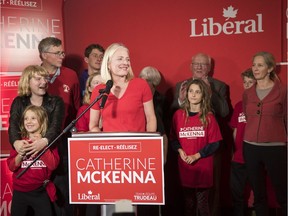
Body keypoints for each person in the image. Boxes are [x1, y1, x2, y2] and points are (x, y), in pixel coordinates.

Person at [89, 43, 157, 216]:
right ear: (109, 63)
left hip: (139, 159)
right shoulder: (99, 90)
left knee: (140, 205)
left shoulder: (141, 85)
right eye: (120, 58)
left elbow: (151, 118)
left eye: (127, 59)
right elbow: (93, 125)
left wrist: (149, 148)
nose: (125, 62)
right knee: (119, 207)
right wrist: (104, 147)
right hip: (112, 162)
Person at [171, 52, 231, 216]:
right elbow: (173, 115)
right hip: (186, 148)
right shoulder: (180, 86)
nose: (199, 67)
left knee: (209, 194)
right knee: (188, 200)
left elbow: (225, 112)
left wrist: (211, 94)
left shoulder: (219, 86)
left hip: (207, 148)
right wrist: (181, 100)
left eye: (203, 64)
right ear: (191, 66)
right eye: (196, 64)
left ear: (209, 67)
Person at [38, 37, 81, 216]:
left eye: (62, 52)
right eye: (58, 53)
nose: (62, 56)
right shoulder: (33, 74)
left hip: (62, 139)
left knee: (63, 185)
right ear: (44, 55)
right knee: (37, 184)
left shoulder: (71, 75)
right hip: (37, 139)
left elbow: (77, 107)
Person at [243, 51, 287, 216]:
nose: (255, 68)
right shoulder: (248, 93)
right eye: (254, 65)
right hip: (251, 147)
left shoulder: (283, 91)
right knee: (258, 194)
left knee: (282, 192)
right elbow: (248, 117)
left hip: (275, 147)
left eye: (260, 65)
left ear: (270, 68)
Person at [7, 105, 60, 216]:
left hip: (40, 191)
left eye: (33, 118)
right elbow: (12, 166)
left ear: (42, 121)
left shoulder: (48, 143)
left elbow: (53, 165)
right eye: (26, 118)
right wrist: (20, 155)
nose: (29, 121)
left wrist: (42, 147)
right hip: (20, 192)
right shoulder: (19, 143)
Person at [8, 65, 64, 161]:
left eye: (45, 78)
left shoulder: (56, 102)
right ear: (27, 81)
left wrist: (44, 142)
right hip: (27, 156)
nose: (44, 82)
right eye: (38, 79)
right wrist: (16, 143)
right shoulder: (19, 102)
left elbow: (56, 127)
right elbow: (13, 125)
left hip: (51, 154)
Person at [229, 69, 255, 216]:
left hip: (255, 157)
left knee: (258, 193)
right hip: (239, 157)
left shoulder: (262, 105)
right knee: (237, 194)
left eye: (250, 82)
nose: (247, 85)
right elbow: (235, 131)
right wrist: (234, 151)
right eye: (245, 82)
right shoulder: (239, 105)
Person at [139, 66, 168, 164]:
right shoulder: (137, 97)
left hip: (159, 136)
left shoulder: (162, 99)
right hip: (141, 136)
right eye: (142, 78)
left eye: (148, 80)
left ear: (154, 82)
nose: (144, 82)